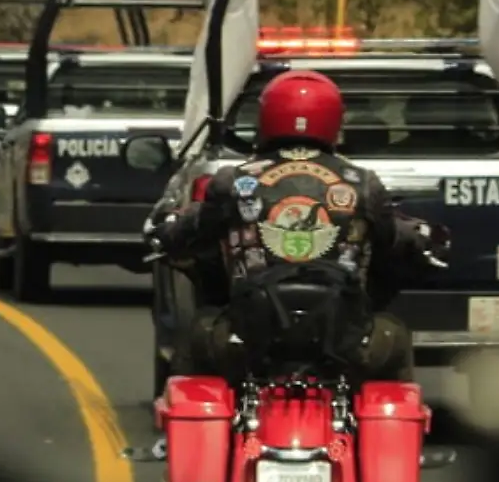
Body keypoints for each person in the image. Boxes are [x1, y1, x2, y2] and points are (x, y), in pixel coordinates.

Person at [149, 69, 450, 388]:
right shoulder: (361, 183)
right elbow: (396, 238)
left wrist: (165, 230)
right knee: (396, 336)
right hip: (347, 343)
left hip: (246, 340)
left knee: (198, 333)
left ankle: (190, 437)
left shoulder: (234, 181)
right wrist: (427, 239)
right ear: (335, 122)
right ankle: (390, 437)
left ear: (266, 118)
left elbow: (187, 231)